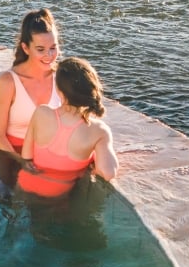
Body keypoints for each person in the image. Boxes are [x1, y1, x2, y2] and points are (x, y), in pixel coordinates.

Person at [18, 58, 118, 198]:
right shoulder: (99, 131)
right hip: (56, 194)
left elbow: (26, 156)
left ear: (59, 91)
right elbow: (108, 173)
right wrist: (93, 154)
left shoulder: (41, 113)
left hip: (23, 184)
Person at [0, 8, 63, 161]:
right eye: (40, 49)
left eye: (53, 48)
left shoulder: (62, 78)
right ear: (25, 48)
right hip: (11, 153)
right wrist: (22, 162)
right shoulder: (8, 82)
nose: (49, 56)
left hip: (48, 153)